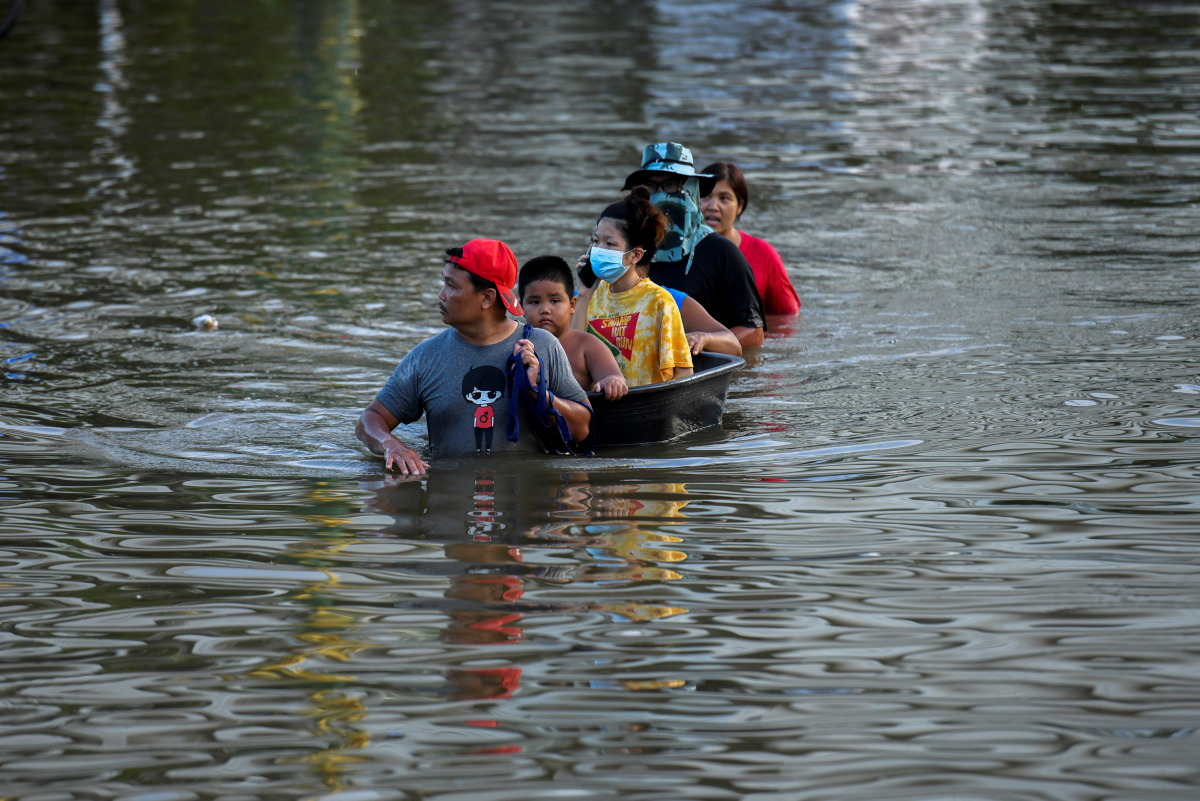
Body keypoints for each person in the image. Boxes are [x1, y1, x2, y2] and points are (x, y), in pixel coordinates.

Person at [356, 238, 592, 475]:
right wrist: (391, 445)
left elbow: (582, 430)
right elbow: (370, 419)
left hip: (523, 507)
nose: (441, 295)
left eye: (452, 286)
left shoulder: (542, 345)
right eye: (444, 284)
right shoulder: (426, 357)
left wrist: (536, 391)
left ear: (488, 298)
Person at [621, 142, 765, 350]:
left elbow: (754, 332)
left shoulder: (721, 253)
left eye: (671, 185)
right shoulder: (627, 250)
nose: (661, 195)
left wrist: (703, 341)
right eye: (652, 187)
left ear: (690, 189)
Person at [571, 187, 693, 386]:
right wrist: (584, 296)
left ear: (635, 255)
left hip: (642, 407)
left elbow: (683, 373)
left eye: (610, 244)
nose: (598, 249)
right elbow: (573, 364)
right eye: (595, 240)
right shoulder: (590, 295)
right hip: (601, 407)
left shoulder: (658, 301)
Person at [517, 255, 629, 401]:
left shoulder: (586, 344)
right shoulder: (517, 345)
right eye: (535, 302)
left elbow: (613, 376)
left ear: (572, 305)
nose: (545, 309)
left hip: (578, 420)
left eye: (554, 301)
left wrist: (612, 381)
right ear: (521, 307)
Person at [700, 161, 801, 316]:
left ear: (740, 207)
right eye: (706, 196)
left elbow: (788, 318)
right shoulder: (678, 253)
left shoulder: (764, 255)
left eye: (724, 198)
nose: (713, 206)